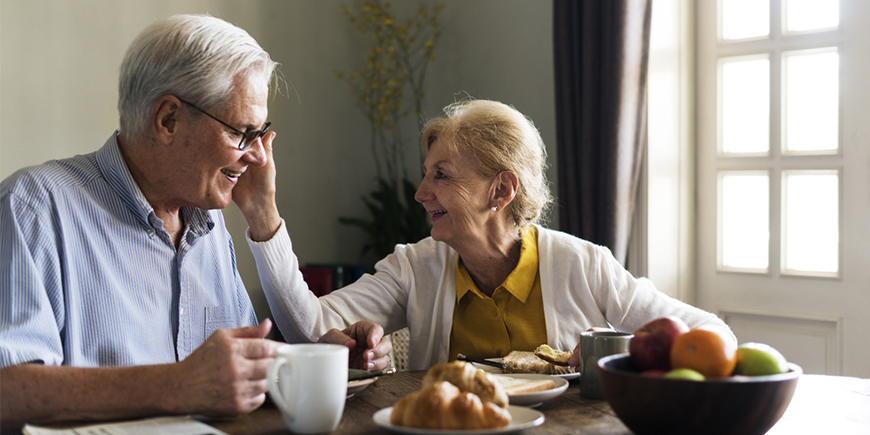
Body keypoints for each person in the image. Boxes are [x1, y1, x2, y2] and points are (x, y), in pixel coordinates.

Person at [0, 14, 389, 430]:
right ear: (168, 119)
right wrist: (177, 385)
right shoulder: (34, 207)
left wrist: (315, 363)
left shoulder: (207, 223)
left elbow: (229, 373)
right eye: (242, 132)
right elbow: (7, 391)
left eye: (263, 134)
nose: (258, 155)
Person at [244, 98, 736, 371]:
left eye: (442, 175)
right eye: (425, 173)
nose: (419, 193)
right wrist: (264, 217)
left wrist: (611, 357)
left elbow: (712, 335)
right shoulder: (414, 267)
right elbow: (309, 327)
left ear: (500, 190)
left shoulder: (583, 266)